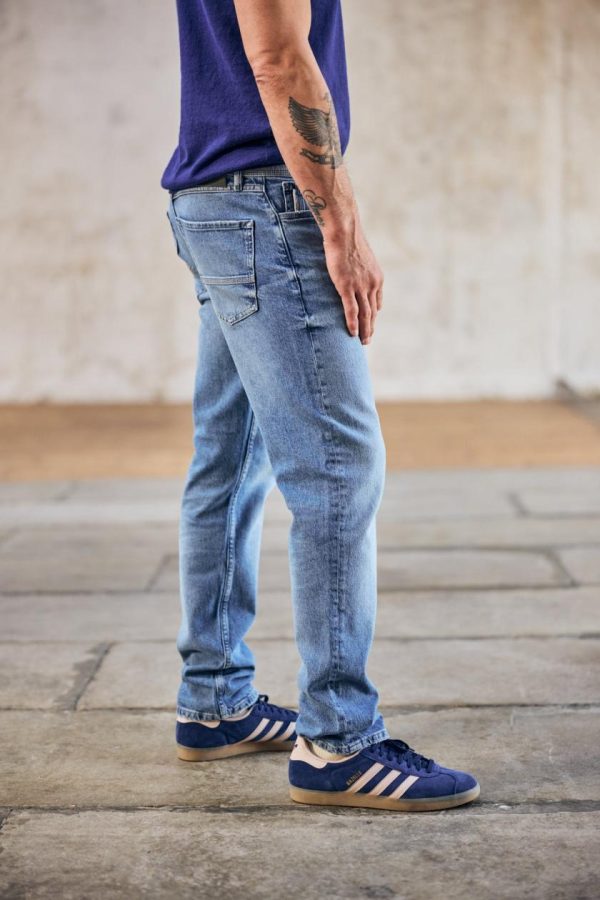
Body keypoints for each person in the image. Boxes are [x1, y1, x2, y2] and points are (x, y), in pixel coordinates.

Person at [162, 0, 479, 812]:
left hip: (212, 197)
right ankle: (340, 740)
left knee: (230, 459)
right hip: (269, 201)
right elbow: (276, 57)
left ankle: (214, 701)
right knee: (338, 469)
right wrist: (340, 222)